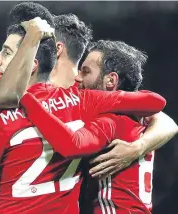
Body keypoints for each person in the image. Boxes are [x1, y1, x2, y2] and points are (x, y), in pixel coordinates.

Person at [0, 14, 167, 214]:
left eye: (11, 52)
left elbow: (163, 118)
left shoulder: (95, 105)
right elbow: (158, 111)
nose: (78, 78)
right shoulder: (82, 100)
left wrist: (138, 147)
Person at [17, 40, 178, 213]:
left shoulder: (111, 121)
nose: (78, 78)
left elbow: (74, 144)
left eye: (86, 72)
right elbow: (168, 122)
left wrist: (25, 98)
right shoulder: (139, 117)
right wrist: (139, 147)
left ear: (111, 80)